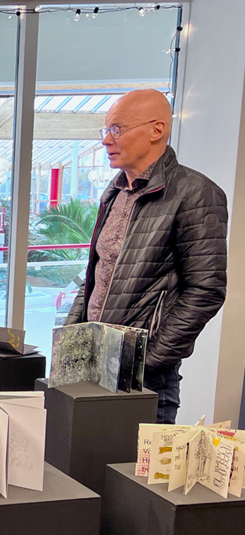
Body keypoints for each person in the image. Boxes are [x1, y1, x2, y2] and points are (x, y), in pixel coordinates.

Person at [66, 88, 228, 424]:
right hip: (93, 363)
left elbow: (206, 290)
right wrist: (70, 338)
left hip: (145, 379)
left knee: (133, 460)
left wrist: (147, 360)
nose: (106, 140)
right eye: (106, 130)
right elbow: (97, 275)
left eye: (117, 129)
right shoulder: (114, 193)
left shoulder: (196, 193)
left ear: (157, 130)